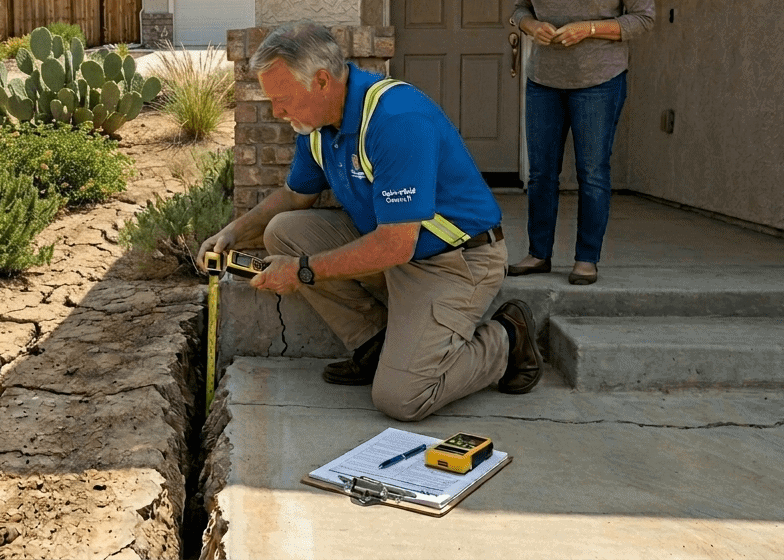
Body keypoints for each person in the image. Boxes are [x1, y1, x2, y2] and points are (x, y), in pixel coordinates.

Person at [200, 21, 542, 422]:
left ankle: (508, 337)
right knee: (284, 232)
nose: (277, 112)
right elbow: (296, 195)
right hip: (394, 248)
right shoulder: (317, 127)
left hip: (453, 260)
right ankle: (374, 343)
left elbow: (397, 245)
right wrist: (233, 231)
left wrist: (303, 271)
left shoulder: (396, 120)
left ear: (322, 81)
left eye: (283, 99)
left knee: (404, 398)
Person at [507, 0, 655, 286]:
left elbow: (643, 19)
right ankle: (538, 254)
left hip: (599, 81)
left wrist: (589, 29)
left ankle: (586, 258)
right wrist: (531, 26)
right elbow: (519, 9)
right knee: (540, 173)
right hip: (544, 80)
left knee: (592, 172)